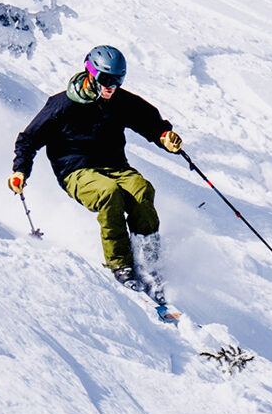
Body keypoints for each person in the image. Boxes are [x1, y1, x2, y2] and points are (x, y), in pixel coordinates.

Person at [10, 45, 184, 304]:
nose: (111, 86)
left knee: (142, 190)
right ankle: (120, 264)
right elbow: (29, 138)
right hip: (76, 170)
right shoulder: (63, 105)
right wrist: (20, 170)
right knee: (109, 194)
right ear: (91, 73)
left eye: (117, 80)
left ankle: (148, 262)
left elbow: (147, 120)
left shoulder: (120, 101)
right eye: (106, 79)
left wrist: (163, 136)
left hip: (115, 166)